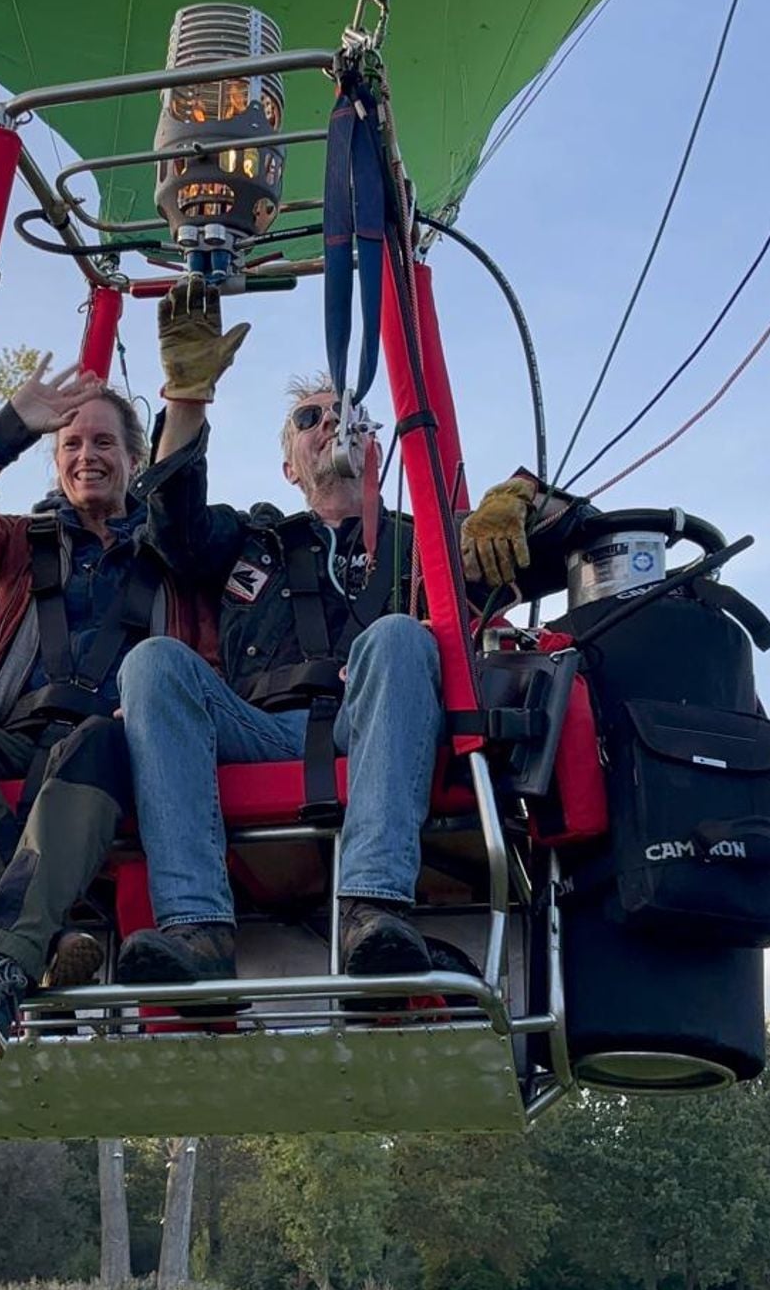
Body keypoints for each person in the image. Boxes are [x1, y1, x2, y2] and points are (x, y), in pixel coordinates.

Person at [117, 294, 535, 985]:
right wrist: (187, 398)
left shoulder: (423, 539)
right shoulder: (255, 539)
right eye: (310, 418)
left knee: (400, 635)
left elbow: (519, 557)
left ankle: (372, 910)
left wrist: (515, 495)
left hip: (373, 723)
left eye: (346, 414)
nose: (330, 424)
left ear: (372, 446)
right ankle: (195, 928)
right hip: (254, 724)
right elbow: (173, 526)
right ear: (290, 465)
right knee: (154, 664)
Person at [0, 356, 213, 1054]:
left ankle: (1, 963)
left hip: (111, 746)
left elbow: (204, 664)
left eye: (103, 444)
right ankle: (39, 938)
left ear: (134, 460)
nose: (87, 456)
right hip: (13, 732)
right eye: (71, 444)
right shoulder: (17, 544)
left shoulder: (177, 563)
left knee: (95, 738)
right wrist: (6, 432)